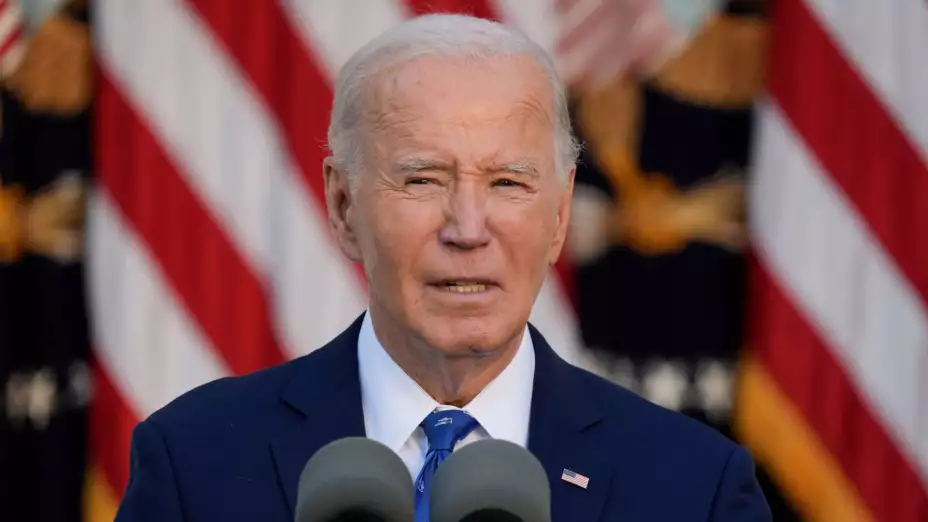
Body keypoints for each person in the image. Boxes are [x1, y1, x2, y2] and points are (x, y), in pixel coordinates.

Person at [115, 14, 770, 522]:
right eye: (423, 179)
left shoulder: (691, 486)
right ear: (343, 206)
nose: (467, 229)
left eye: (508, 183)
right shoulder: (195, 463)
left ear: (561, 215)